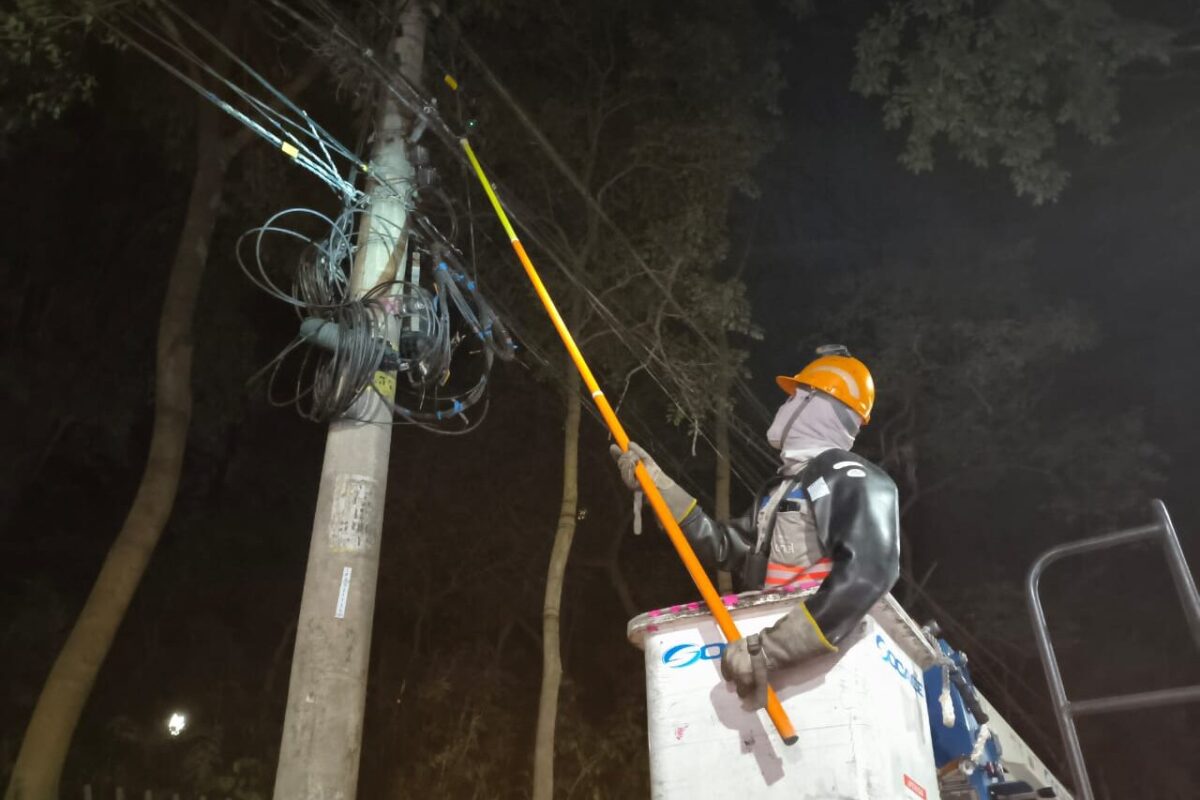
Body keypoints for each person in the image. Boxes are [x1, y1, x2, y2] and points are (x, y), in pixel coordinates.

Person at [611, 345, 900, 706]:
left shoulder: (853, 477)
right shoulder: (782, 489)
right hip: (768, 667)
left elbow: (869, 573)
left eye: (794, 396)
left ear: (818, 404)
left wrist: (772, 650)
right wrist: (661, 489)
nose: (784, 405)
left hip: (824, 675)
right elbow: (723, 546)